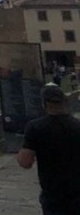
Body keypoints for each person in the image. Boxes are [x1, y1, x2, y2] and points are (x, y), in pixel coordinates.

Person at [18, 83, 80, 213]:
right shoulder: (77, 126)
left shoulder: (35, 127)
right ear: (64, 102)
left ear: (44, 103)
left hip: (52, 193)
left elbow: (25, 162)